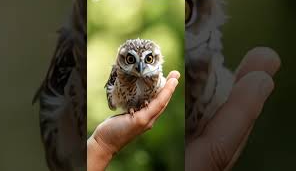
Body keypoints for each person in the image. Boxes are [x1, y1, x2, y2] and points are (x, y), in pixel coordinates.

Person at [87, 47, 281, 171]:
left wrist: (102, 146)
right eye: (131, 60)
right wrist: (103, 145)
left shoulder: (156, 78)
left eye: (147, 60)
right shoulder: (118, 73)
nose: (139, 66)